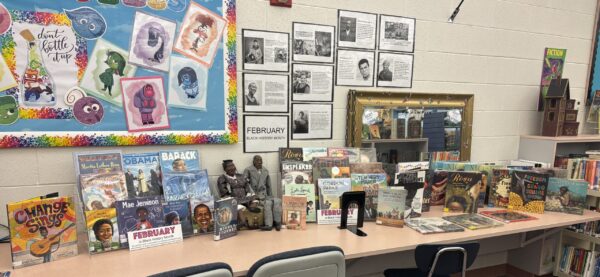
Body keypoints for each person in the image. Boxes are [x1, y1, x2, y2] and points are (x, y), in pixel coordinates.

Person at [217, 160, 261, 228]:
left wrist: (249, 194)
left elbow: (247, 187)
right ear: (225, 169)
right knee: (235, 205)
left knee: (255, 197)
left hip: (244, 197)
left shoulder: (241, 176)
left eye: (233, 166)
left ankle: (252, 207)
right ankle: (243, 221)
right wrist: (232, 198)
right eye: (229, 166)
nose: (232, 168)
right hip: (233, 199)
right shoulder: (222, 178)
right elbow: (224, 192)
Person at [243, 155, 282, 231]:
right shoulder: (248, 170)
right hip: (254, 195)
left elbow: (268, 185)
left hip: (264, 194)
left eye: (261, 160)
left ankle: (277, 222)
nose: (259, 162)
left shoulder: (265, 170)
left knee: (277, 201)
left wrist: (271, 196)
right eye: (257, 160)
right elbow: (245, 184)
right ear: (253, 161)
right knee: (267, 204)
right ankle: (268, 225)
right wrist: (252, 196)